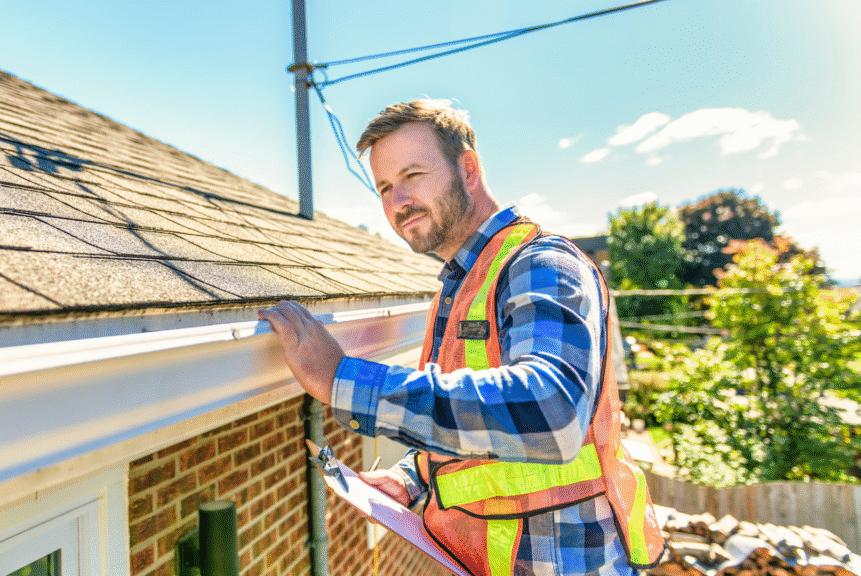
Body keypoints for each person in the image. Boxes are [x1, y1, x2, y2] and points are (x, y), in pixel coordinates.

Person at [259, 99, 664, 576]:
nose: (397, 201)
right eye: (385, 187)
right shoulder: (461, 286)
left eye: (412, 175)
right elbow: (475, 419)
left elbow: (551, 412)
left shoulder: (539, 264)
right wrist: (412, 476)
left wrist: (343, 380)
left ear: (467, 168)